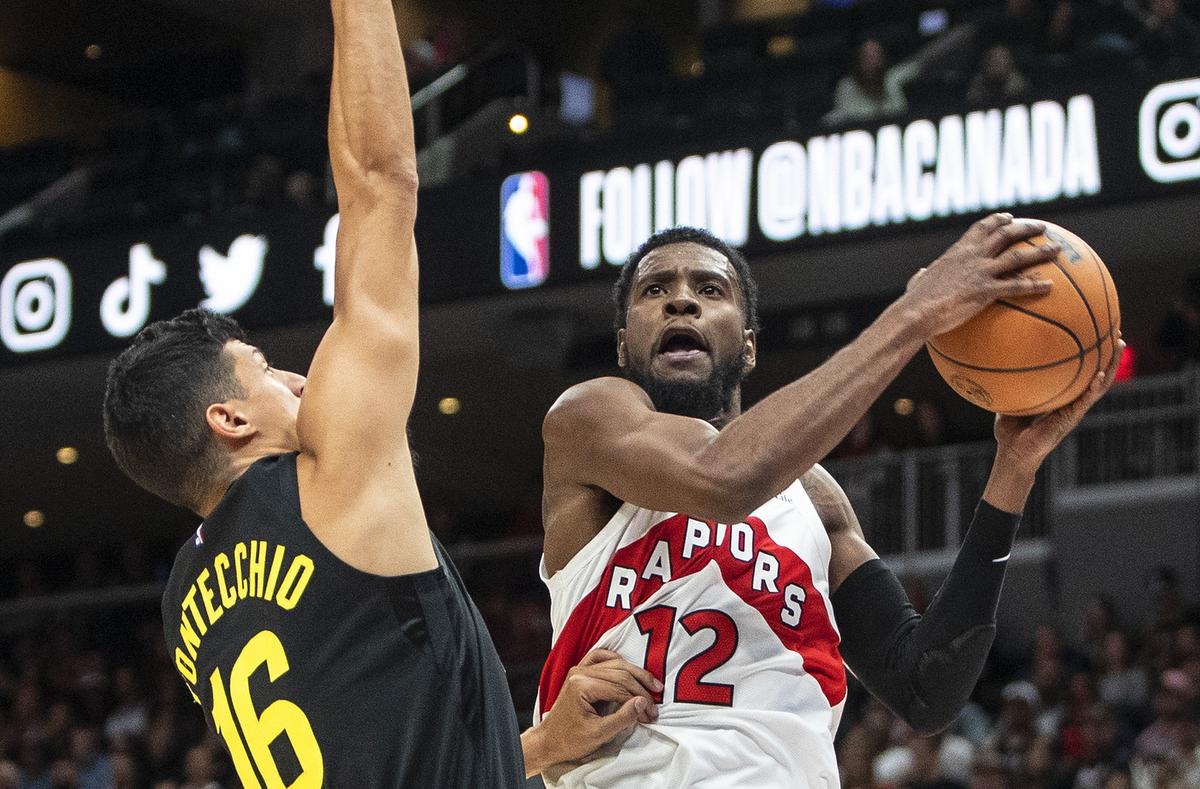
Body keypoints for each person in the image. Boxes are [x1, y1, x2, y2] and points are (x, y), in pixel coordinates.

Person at [102, 0, 656, 785]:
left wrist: (534, 747)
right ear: (226, 418)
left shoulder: (186, 607)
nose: (295, 378)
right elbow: (381, 185)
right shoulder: (328, 477)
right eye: (263, 369)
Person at [534, 217, 1123, 786]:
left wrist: (1012, 472)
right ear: (621, 344)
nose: (680, 301)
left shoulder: (814, 499)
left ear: (748, 346)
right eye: (654, 289)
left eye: (710, 289)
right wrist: (913, 316)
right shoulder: (587, 420)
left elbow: (925, 688)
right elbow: (724, 480)